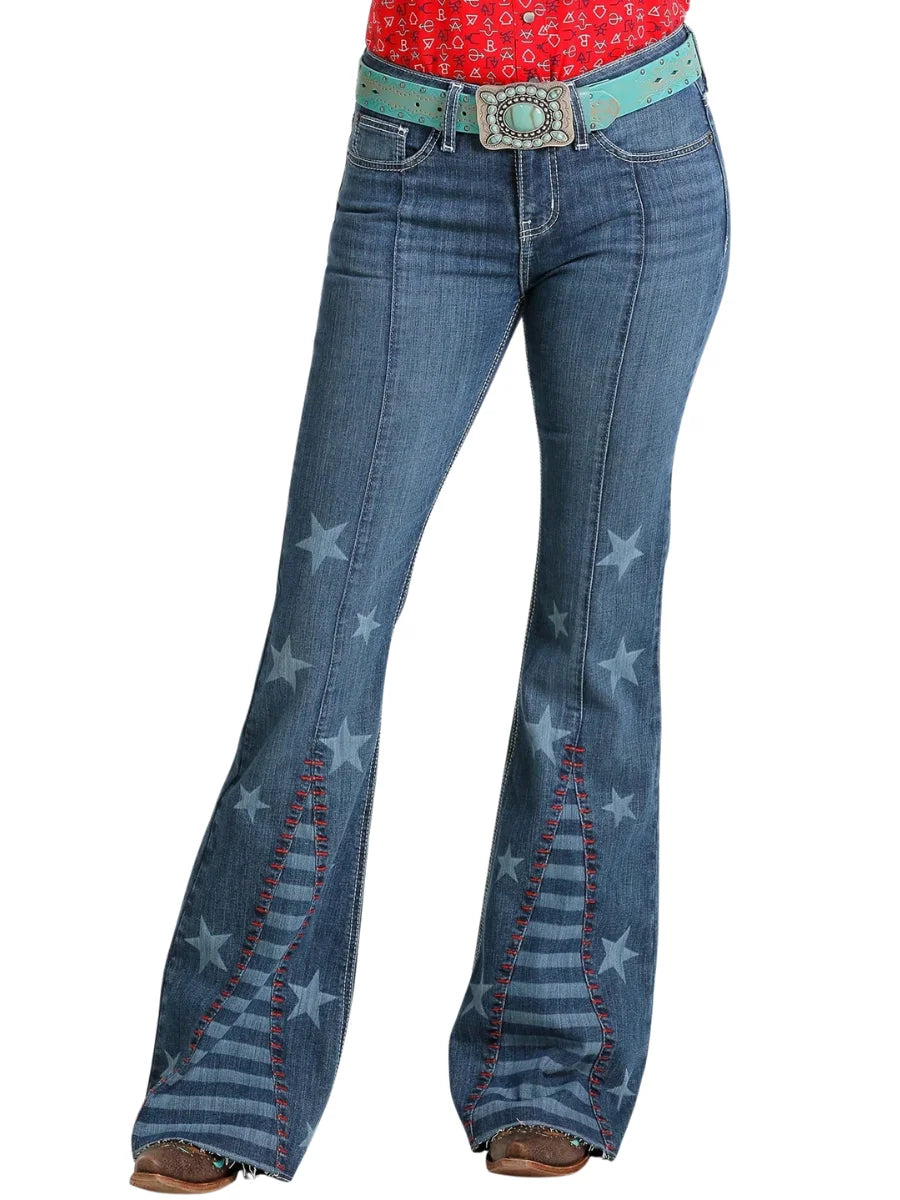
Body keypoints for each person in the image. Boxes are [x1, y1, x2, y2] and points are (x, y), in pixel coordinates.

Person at [129, 1, 730, 1190]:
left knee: (595, 631)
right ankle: (227, 1072)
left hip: (641, 157)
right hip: (416, 166)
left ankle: (551, 1069)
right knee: (325, 628)